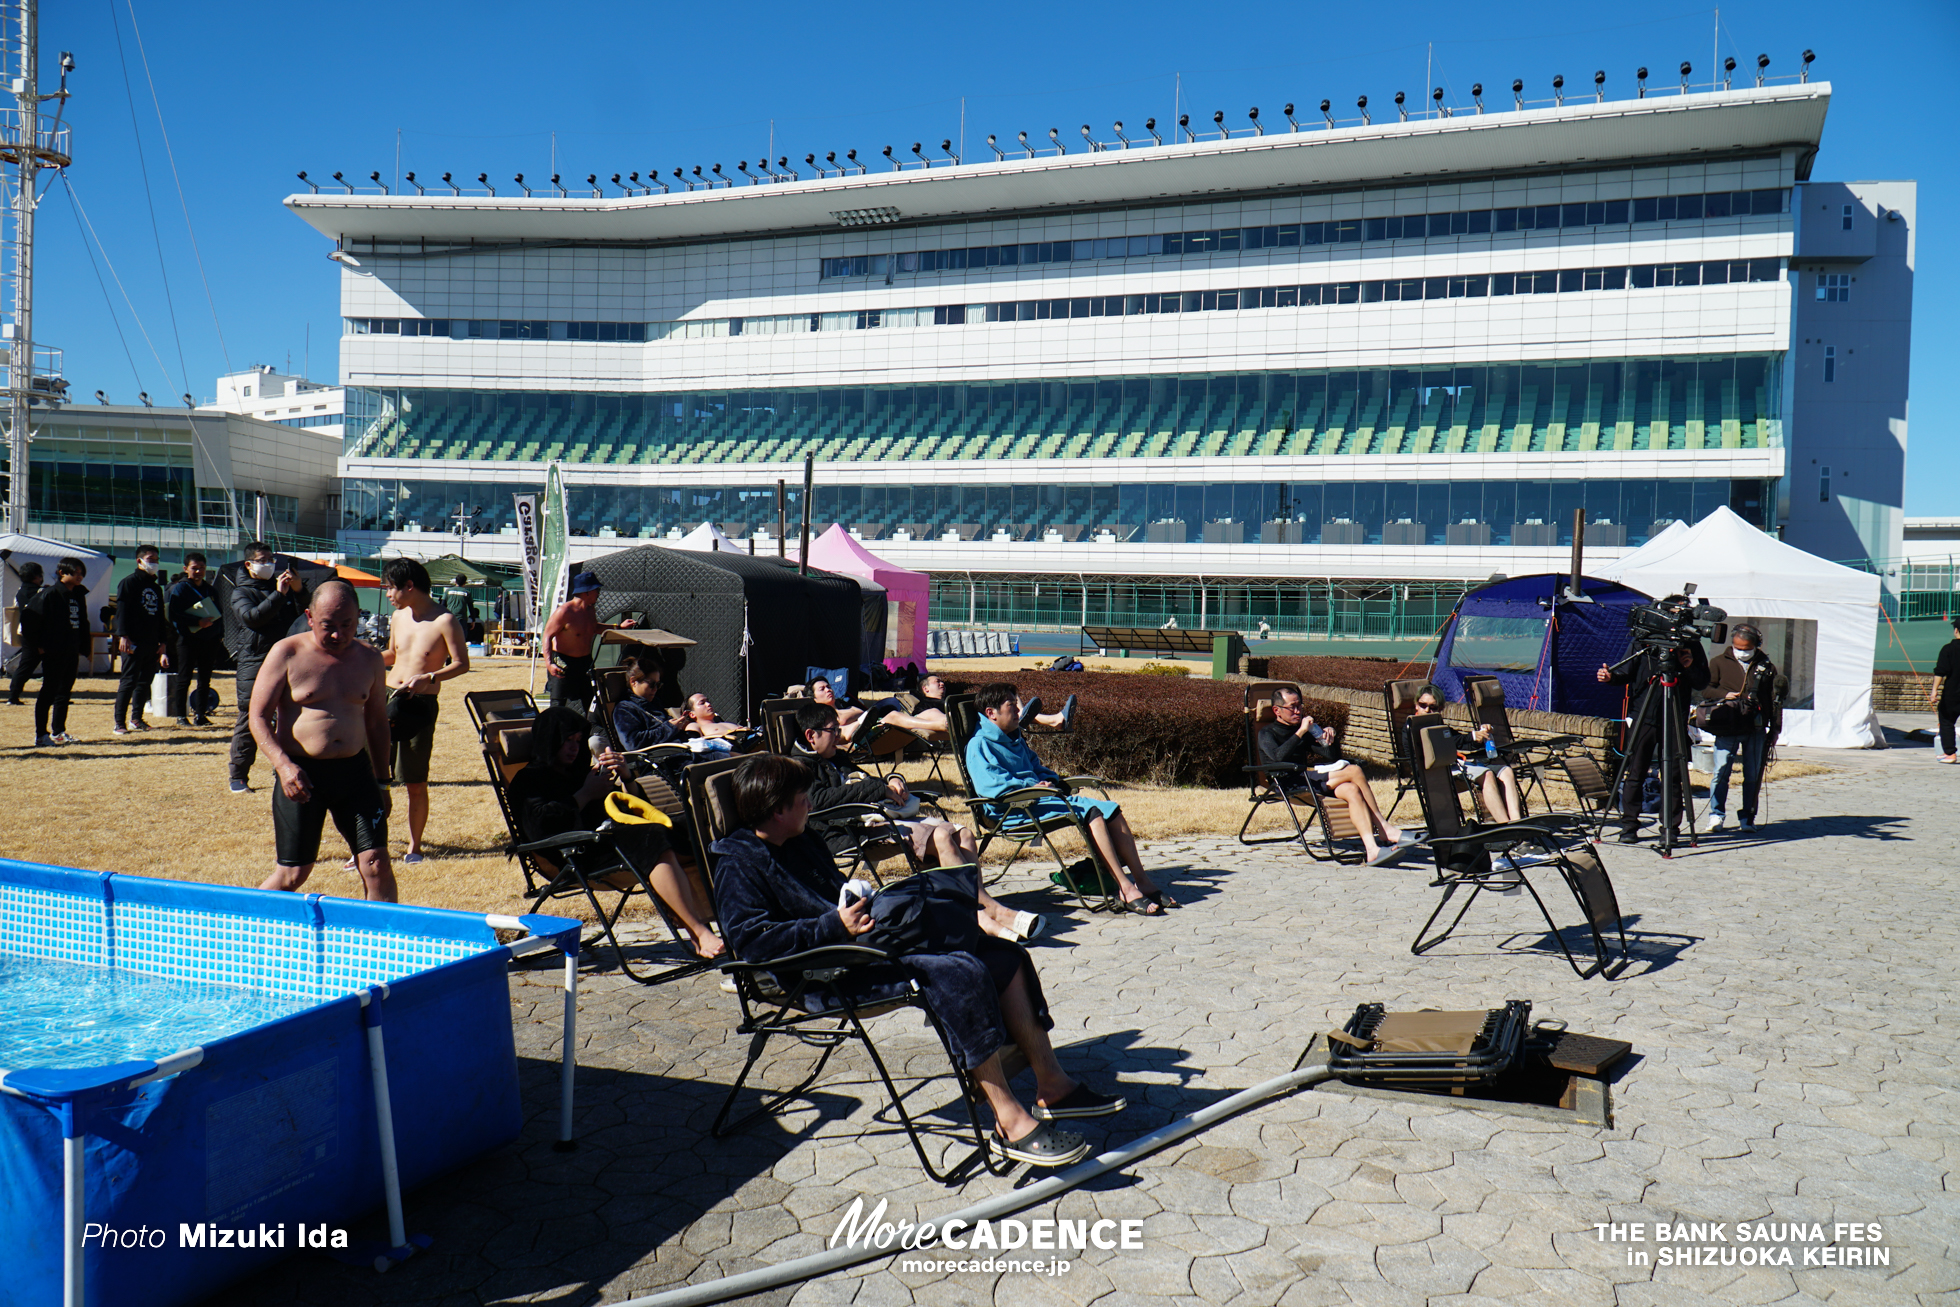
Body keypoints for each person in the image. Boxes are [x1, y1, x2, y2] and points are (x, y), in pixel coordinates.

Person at [708, 753, 1124, 1167]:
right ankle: (1008, 1120)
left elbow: (834, 898)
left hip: (859, 948)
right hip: (815, 973)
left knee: (1004, 955)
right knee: (956, 971)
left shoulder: (800, 840)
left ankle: (1051, 1085)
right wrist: (835, 926)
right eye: (803, 799)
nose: (811, 804)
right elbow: (751, 943)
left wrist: (864, 905)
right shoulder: (738, 862)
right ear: (778, 809)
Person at [794, 701, 1041, 945]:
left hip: (878, 819)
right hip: (848, 831)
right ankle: (985, 915)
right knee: (941, 837)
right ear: (811, 735)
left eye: (838, 729)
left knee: (963, 834)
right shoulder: (801, 768)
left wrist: (893, 780)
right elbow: (819, 801)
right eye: (833, 730)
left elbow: (868, 779)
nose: (839, 736)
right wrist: (878, 789)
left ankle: (976, 911)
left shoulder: (836, 757)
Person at [509, 706, 723, 960]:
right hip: (576, 853)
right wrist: (586, 794)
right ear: (549, 740)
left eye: (578, 741)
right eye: (567, 740)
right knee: (652, 839)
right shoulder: (528, 780)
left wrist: (626, 776)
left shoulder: (581, 773)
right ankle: (699, 932)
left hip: (611, 839)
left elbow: (629, 807)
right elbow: (539, 828)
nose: (574, 748)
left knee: (691, 827)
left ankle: (717, 922)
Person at [966, 681, 1169, 914]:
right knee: (1091, 812)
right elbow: (992, 785)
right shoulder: (979, 745)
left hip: (1039, 799)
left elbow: (1035, 768)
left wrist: (1052, 780)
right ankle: (1125, 888)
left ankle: (1141, 881)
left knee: (1111, 809)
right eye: (1013, 706)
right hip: (1011, 810)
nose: (1020, 713)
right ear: (991, 713)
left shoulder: (1015, 738)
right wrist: (1032, 785)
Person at [250, 581, 397, 902]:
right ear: (310, 617)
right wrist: (283, 765)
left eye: (348, 625)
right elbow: (257, 717)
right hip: (302, 775)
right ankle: (239, 927)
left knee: (376, 864)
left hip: (355, 773)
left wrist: (384, 783)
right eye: (328, 626)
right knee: (292, 874)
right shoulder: (287, 652)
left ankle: (384, 945)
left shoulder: (370, 658)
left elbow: (376, 723)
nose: (338, 635)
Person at [379, 558, 471, 864]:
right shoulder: (397, 616)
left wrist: (430, 677)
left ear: (409, 586)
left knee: (414, 781)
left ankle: (414, 847)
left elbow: (461, 664)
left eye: (391, 587)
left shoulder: (445, 620)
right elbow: (392, 654)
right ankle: (371, 844)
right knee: (376, 777)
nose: (387, 593)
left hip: (419, 704)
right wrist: (358, 657)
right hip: (387, 696)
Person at [1260, 685, 1408, 864]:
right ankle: (1383, 827)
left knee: (1351, 789)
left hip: (1306, 779)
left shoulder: (1302, 730)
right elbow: (1277, 757)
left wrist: (1330, 737)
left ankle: (1372, 849)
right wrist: (1301, 732)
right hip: (1287, 784)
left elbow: (1333, 757)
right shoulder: (1267, 733)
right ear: (1277, 710)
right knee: (1354, 770)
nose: (1298, 711)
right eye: (1293, 707)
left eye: (1300, 705)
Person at [1597, 612, 1710, 844]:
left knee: (1674, 775)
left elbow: (1702, 682)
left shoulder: (1690, 644)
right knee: (1635, 772)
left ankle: (1671, 829)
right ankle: (1628, 827)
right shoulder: (1644, 641)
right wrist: (1610, 677)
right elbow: (1625, 673)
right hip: (1644, 715)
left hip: (1674, 717)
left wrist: (1688, 666)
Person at [228, 542, 308, 795]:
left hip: (286, 660)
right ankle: (238, 775)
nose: (270, 564)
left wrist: (299, 591)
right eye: (263, 559)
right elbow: (252, 618)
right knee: (250, 717)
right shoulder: (241, 592)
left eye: (272, 559)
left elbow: (304, 615)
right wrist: (279, 594)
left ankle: (284, 769)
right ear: (249, 564)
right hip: (255, 661)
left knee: (288, 714)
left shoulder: (280, 589)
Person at [1700, 625, 1781, 832]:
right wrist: (1723, 696)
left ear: (1756, 646)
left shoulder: (1766, 666)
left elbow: (1774, 700)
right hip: (1728, 725)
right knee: (1721, 772)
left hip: (1755, 727)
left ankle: (1748, 817)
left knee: (1752, 774)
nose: (1742, 651)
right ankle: (1716, 816)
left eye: (1746, 648)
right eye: (1737, 647)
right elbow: (1705, 689)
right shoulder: (1718, 662)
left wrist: (1775, 729)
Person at [1409, 685, 1525, 824]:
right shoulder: (1412, 728)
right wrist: (1471, 736)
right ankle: (1506, 827)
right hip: (1437, 771)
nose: (1427, 710)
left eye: (1433, 707)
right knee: (1487, 774)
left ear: (1440, 710)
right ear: (1416, 705)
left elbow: (1460, 742)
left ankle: (1517, 823)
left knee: (1506, 771)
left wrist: (1479, 738)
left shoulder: (1437, 724)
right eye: (1423, 705)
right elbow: (1447, 743)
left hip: (1457, 765)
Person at [112, 545, 170, 735]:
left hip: (151, 641)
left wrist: (162, 641)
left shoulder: (155, 587)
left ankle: (136, 718)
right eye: (150, 559)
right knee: (128, 681)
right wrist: (123, 635)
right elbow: (121, 611)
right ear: (139, 561)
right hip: (132, 640)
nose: (154, 562)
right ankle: (119, 722)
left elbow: (160, 616)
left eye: (156, 559)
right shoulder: (129, 582)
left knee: (144, 682)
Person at [29, 558, 88, 746]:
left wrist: (82, 646)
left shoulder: (78, 594)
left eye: (81, 573)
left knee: (64, 692)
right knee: (49, 691)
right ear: (62, 573)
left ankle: (58, 731)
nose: (79, 576)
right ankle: (41, 734)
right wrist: (38, 645)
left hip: (71, 649)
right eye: (76, 572)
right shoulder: (50, 593)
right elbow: (29, 619)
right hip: (54, 650)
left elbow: (82, 622)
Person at [166, 552, 224, 727]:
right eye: (194, 568)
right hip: (187, 639)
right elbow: (173, 614)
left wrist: (218, 635)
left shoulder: (210, 590)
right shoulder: (181, 588)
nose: (198, 571)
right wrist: (197, 621)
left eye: (202, 568)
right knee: (184, 678)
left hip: (209, 639)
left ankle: (201, 714)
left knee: (205, 678)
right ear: (186, 569)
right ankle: (181, 716)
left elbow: (219, 614)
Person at [544, 571, 604, 710]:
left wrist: (618, 627)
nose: (598, 593)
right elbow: (547, 636)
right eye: (596, 590)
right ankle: (554, 730)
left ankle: (589, 730)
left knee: (591, 701)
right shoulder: (564, 611)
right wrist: (549, 663)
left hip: (584, 662)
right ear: (587, 592)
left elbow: (594, 628)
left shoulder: (590, 610)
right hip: (563, 661)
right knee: (558, 704)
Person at [612, 656, 685, 754]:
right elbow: (633, 743)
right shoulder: (624, 709)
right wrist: (669, 728)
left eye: (658, 685)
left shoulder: (654, 702)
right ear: (633, 681)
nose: (655, 689)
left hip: (677, 749)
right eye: (651, 684)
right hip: (662, 758)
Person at [7, 560, 44, 706]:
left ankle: (13, 695)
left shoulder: (20, 592)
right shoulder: (40, 592)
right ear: (36, 576)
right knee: (50, 664)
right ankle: (57, 694)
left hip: (26, 632)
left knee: (26, 665)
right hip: (40, 632)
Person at [1931, 616, 1960, 764]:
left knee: (1947, 721)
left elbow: (1940, 672)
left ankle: (1950, 754)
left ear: (1956, 631)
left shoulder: (1948, 649)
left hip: (1952, 692)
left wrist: (1934, 691)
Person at [682, 692, 749, 744]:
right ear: (692, 714)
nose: (708, 704)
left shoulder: (725, 723)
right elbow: (696, 743)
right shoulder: (694, 726)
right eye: (702, 703)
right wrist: (728, 732)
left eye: (708, 701)